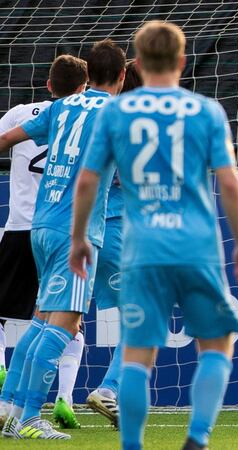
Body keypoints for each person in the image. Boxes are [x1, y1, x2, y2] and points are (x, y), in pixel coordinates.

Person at [69, 21, 238, 450]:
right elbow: (229, 183)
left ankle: (132, 445)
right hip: (196, 246)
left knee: (137, 353)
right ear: (183, 61)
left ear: (137, 63)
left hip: (142, 246)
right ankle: (198, 437)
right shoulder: (206, 111)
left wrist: (79, 238)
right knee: (217, 342)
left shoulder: (116, 112)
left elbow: (86, 182)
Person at [0, 40, 126, 440]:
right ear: (122, 77)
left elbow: (6, 139)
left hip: (38, 226)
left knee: (41, 322)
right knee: (65, 325)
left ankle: (9, 408)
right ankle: (32, 417)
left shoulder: (61, 106)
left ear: (88, 74)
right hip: (78, 232)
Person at [0, 55, 89, 432]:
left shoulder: (19, 114)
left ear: (49, 85)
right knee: (67, 321)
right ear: (84, 89)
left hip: (21, 227)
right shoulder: (84, 120)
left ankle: (6, 381)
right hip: (63, 227)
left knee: (8, 314)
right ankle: (63, 398)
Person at [85, 59, 143, 428]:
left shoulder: (87, 114)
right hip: (113, 228)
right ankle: (109, 389)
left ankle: (15, 404)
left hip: (77, 229)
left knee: (56, 319)